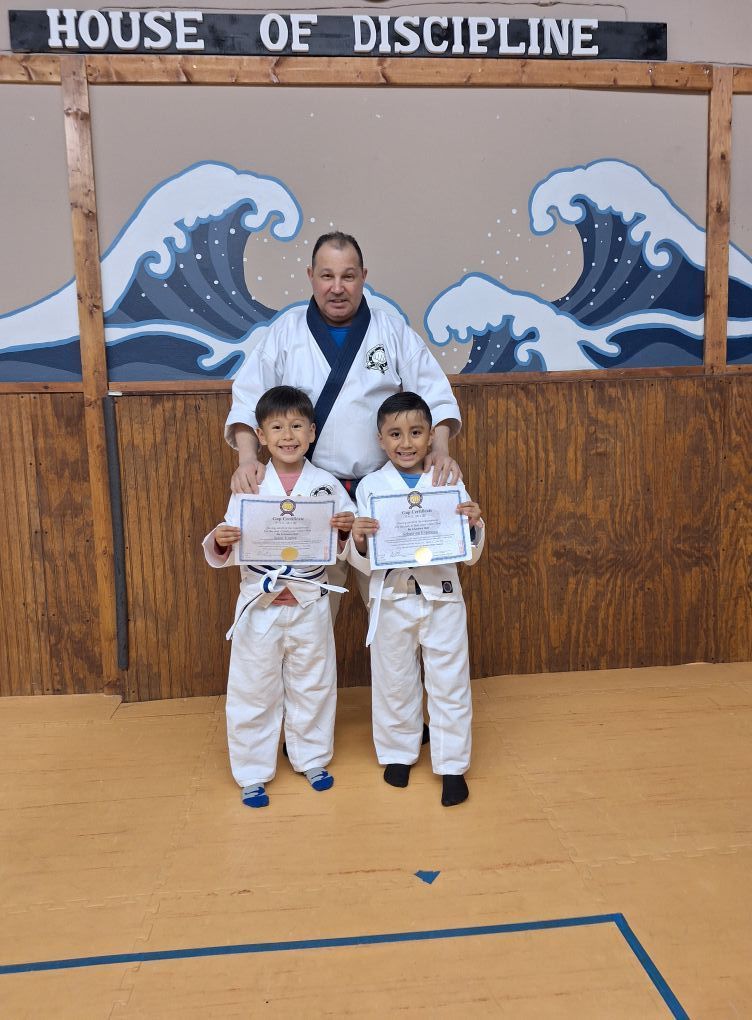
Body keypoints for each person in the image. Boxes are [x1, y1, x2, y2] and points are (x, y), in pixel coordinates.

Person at [225, 231, 463, 506]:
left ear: (363, 276)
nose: (337, 288)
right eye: (327, 276)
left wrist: (441, 451)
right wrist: (248, 460)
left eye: (347, 277)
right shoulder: (284, 333)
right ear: (310, 275)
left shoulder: (392, 331)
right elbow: (248, 399)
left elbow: (435, 396)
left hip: (382, 485)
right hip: (307, 487)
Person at [203, 386, 355, 808]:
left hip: (309, 601)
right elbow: (230, 543)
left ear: (311, 432)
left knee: (314, 684)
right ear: (261, 436)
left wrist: (344, 529)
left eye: (296, 426)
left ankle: (312, 758)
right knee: (254, 688)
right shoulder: (250, 483)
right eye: (276, 427)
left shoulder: (325, 484)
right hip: (261, 603)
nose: (287, 435)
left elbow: (346, 544)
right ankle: (252, 771)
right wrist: (221, 539)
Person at [347, 392, 485, 807]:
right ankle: (398, 754)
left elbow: (471, 551)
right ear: (381, 440)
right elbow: (363, 556)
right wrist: (357, 538)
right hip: (391, 598)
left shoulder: (448, 480)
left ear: (430, 437)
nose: (405, 442)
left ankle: (452, 765)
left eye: (415, 432)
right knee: (394, 680)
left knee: (450, 682)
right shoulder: (372, 486)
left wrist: (473, 525)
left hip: (442, 597)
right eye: (395, 434)